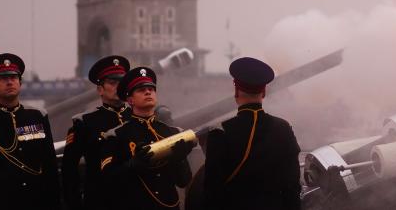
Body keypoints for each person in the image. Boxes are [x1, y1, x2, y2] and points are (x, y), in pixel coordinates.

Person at [203, 57, 301, 210]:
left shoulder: (220, 133)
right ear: (264, 91)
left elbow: (211, 192)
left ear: (236, 91)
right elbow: (292, 187)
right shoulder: (283, 129)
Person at [0, 53, 60, 210]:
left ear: (20, 83)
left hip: (35, 201)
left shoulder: (37, 116)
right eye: (3, 79)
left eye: (13, 77)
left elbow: (49, 163)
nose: (9, 82)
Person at [99, 66, 194, 210]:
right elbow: (107, 180)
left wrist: (180, 159)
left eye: (151, 89)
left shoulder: (172, 132)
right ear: (130, 100)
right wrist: (132, 165)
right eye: (141, 90)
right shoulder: (116, 135)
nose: (148, 91)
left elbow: (183, 181)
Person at [62, 55, 132, 210]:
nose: (118, 87)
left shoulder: (137, 117)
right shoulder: (85, 123)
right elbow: (69, 170)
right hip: (101, 200)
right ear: (100, 89)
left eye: (121, 83)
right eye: (113, 83)